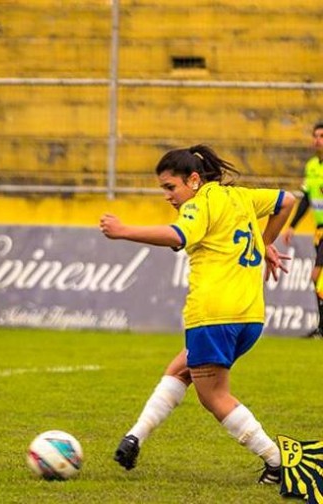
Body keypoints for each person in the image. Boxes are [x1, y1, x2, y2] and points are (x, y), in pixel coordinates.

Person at [99, 144, 295, 484]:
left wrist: (123, 231)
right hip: (250, 315)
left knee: (213, 396)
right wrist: (264, 242)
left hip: (214, 314)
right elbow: (286, 201)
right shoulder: (240, 198)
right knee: (181, 368)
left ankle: (278, 463)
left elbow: (177, 234)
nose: (167, 196)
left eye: (170, 187)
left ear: (193, 180)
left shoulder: (200, 203)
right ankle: (134, 438)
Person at [281, 121, 323, 338]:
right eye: (316, 136)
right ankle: (322, 327)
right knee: (317, 278)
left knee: (316, 275)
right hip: (319, 230)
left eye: (322, 136)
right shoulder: (312, 166)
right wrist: (292, 226)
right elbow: (307, 198)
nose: (318, 140)